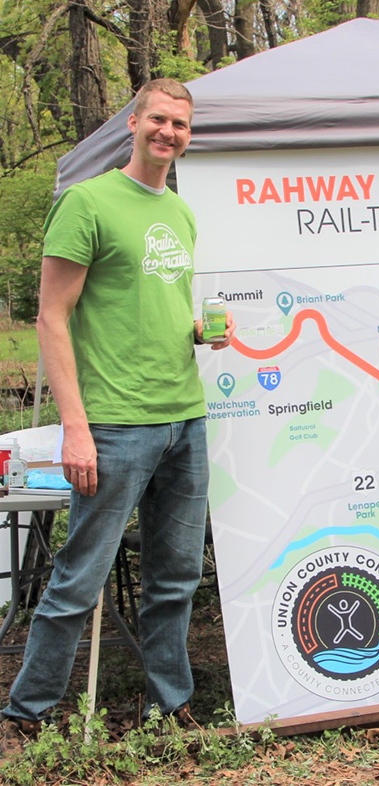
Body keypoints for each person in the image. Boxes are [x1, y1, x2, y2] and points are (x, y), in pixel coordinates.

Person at [1, 78, 234, 753]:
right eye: (158, 119)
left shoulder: (181, 213)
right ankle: (26, 714)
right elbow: (52, 318)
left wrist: (200, 331)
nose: (168, 133)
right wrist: (75, 427)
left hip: (184, 418)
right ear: (133, 123)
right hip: (115, 425)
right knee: (79, 578)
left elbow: (150, 307)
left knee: (176, 579)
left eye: (180, 125)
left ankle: (171, 704)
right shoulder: (87, 202)